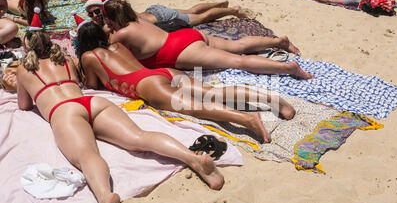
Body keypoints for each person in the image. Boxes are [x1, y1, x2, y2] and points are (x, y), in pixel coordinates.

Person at [16, 9, 225, 203]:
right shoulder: (67, 60)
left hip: (64, 111)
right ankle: (193, 158)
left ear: (27, 46)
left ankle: (106, 198)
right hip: (92, 103)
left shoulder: (23, 69)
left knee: (87, 156)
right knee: (138, 137)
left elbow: (24, 105)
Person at [76, 21, 299, 143]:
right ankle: (271, 99)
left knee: (194, 107)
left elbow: (94, 85)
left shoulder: (89, 57)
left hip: (145, 84)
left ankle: (247, 119)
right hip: (163, 72)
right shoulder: (118, 46)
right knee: (212, 92)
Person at [100, 0, 313, 80]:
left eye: (107, 20)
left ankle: (289, 69)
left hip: (179, 51)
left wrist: (106, 29)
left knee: (238, 61)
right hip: (185, 37)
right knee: (237, 46)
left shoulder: (120, 35)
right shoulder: (139, 20)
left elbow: (102, 47)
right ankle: (279, 42)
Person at [85, 0, 248, 34]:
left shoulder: (114, 16)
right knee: (191, 10)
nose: (95, 16)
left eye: (97, 11)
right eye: (90, 14)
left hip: (161, 17)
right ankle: (220, 4)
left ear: (103, 8)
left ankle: (232, 10)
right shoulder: (116, 9)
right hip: (154, 11)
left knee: (201, 17)